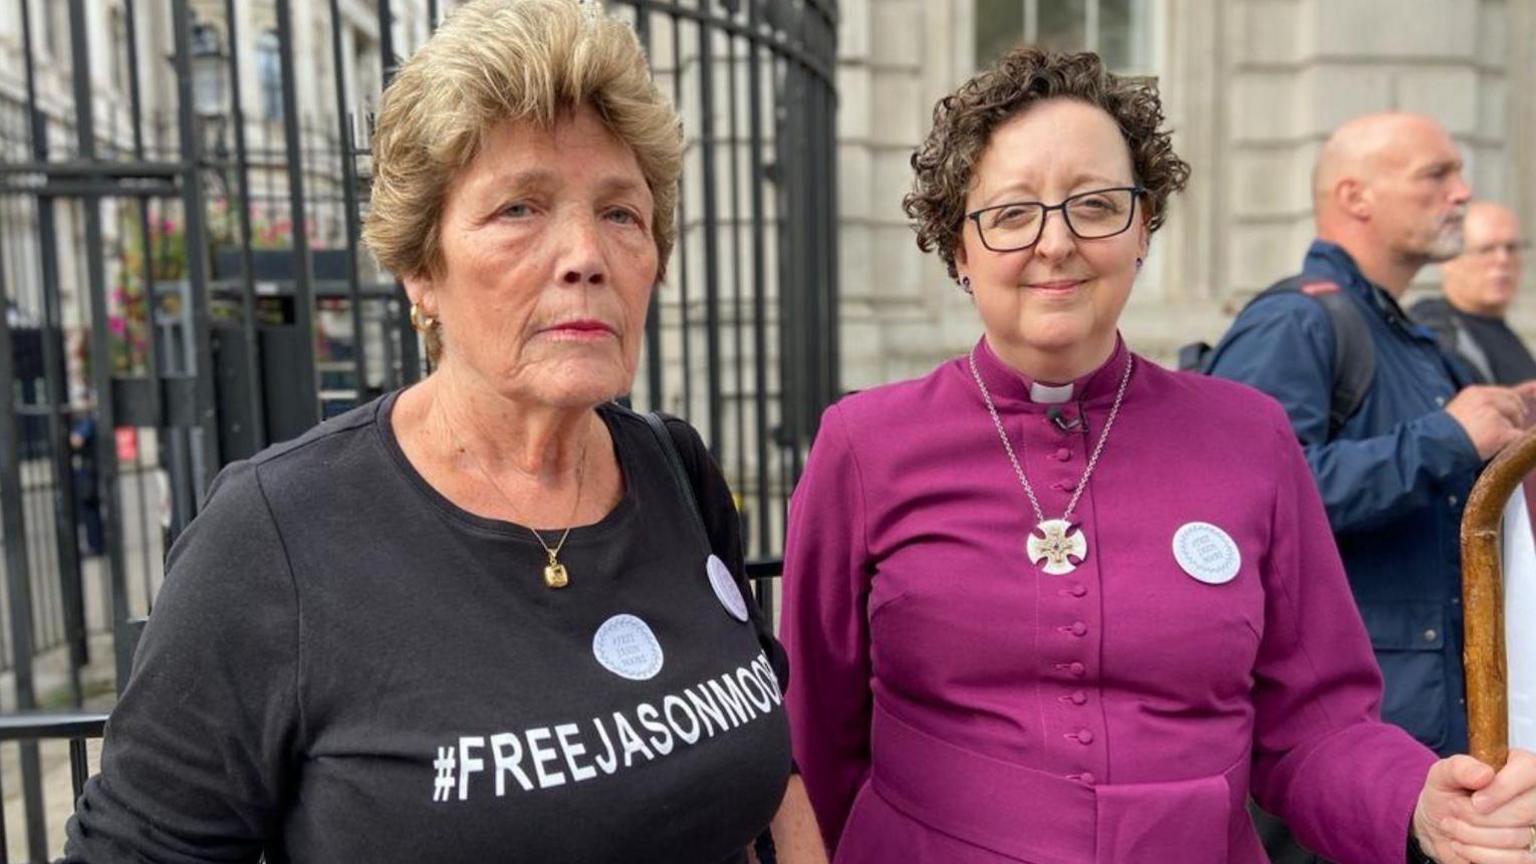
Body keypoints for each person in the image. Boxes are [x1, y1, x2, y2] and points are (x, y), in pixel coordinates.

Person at [62, 2, 823, 862]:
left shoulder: (674, 469)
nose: (586, 254)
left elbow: (777, 770)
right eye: (519, 209)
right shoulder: (275, 538)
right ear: (421, 268)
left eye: (621, 213)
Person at [781, 48, 1536, 864]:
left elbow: (1315, 726)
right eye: (1010, 214)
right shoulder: (865, 444)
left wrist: (1417, 800)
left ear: (1144, 228)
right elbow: (817, 737)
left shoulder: (1251, 436)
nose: (1056, 243)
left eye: (1097, 205)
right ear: (958, 249)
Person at [1206, 114, 1536, 760]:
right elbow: (1239, 515)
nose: (1462, 193)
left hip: (1421, 744)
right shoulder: (1294, 323)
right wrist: (1445, 439)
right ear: (1355, 197)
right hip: (1333, 755)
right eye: (1436, 175)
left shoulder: (1410, 340)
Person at [1412, 201, 1536, 386]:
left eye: (1511, 248)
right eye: (1486, 250)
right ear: (1448, 260)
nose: (1502, 260)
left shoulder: (1505, 334)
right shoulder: (1434, 333)